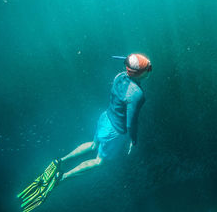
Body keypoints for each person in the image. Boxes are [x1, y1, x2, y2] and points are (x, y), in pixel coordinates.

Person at [17, 53, 152, 212]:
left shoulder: (119, 76)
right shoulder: (137, 94)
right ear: (141, 73)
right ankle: (62, 177)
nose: (150, 69)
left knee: (93, 144)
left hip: (105, 118)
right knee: (99, 161)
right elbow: (131, 122)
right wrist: (133, 140)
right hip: (115, 131)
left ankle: (60, 160)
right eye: (148, 68)